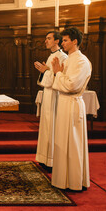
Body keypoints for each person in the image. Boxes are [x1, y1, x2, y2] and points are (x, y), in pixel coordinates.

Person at [51, 27, 92, 191]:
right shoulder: (68, 60)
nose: (62, 43)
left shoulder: (81, 61)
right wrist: (58, 74)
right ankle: (63, 180)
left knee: (73, 142)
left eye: (66, 40)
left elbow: (71, 85)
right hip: (64, 103)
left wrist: (58, 74)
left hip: (72, 103)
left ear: (75, 41)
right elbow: (63, 82)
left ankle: (74, 181)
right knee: (62, 141)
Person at [34, 31, 67, 171]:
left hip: (55, 95)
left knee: (52, 125)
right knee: (46, 126)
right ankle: (44, 158)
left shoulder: (62, 56)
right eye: (46, 38)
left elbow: (60, 76)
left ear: (57, 41)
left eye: (48, 38)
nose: (45, 41)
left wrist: (45, 71)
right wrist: (45, 71)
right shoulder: (51, 56)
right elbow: (50, 74)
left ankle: (52, 160)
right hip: (48, 94)